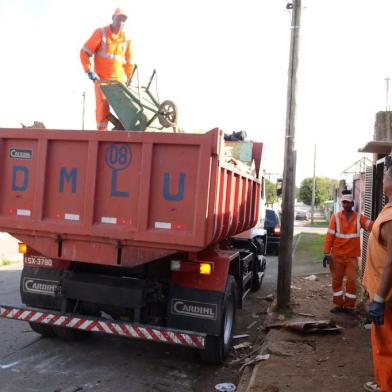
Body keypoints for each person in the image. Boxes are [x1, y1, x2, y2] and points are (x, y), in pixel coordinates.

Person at [363, 167, 392, 391]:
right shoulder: (388, 211)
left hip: (387, 298)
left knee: (386, 348)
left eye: (386, 175)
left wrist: (380, 299)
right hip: (384, 295)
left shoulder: (391, 217)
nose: (383, 179)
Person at [80, 8, 134, 130]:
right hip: (102, 80)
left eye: (124, 20)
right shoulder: (101, 33)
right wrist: (89, 70)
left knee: (125, 108)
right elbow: (84, 52)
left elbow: (129, 63)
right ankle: (101, 135)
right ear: (113, 18)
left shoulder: (127, 39)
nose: (121, 22)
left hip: (119, 82)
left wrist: (130, 80)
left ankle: (125, 132)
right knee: (102, 107)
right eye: (119, 19)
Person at [323, 192, 373, 314]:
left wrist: (382, 223)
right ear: (342, 203)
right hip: (337, 256)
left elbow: (370, 226)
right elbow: (329, 236)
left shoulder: (358, 217)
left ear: (352, 204)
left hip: (351, 257)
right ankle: (338, 304)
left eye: (348, 202)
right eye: (344, 202)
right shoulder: (335, 217)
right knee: (337, 281)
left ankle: (349, 306)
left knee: (351, 281)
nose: (345, 204)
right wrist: (326, 253)